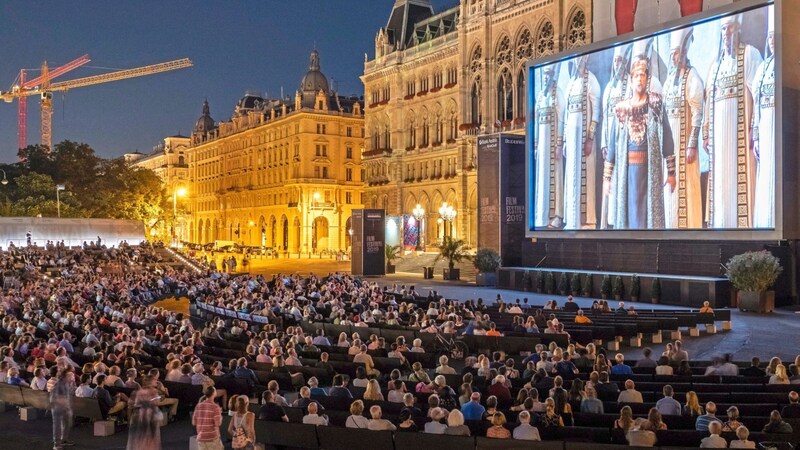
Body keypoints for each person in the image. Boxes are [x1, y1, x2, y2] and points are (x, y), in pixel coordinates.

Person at [606, 38, 674, 229]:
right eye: (636, 75)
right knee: (629, 217)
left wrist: (671, 173)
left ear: (647, 78)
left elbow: (667, 137)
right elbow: (612, 144)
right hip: (628, 171)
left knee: (649, 219)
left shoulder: (656, 104)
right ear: (631, 78)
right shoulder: (621, 109)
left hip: (649, 169)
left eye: (643, 75)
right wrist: (606, 178)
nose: (639, 79)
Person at [703, 13, 762, 228]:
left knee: (741, 183)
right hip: (719, 142)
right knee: (720, 186)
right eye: (723, 29)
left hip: (741, 139)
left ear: (738, 29)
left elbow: (758, 94)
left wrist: (753, 130)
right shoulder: (716, 65)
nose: (726, 34)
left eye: (729, 28)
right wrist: (707, 132)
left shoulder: (750, 55)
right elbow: (709, 99)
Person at [663, 27, 704, 229]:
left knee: (685, 186)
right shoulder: (669, 80)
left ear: (684, 52)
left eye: (676, 53)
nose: (673, 58)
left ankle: (688, 228)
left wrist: (692, 143)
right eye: (671, 54)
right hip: (670, 144)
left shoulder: (692, 77)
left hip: (684, 142)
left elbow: (697, 111)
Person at [563, 54, 601, 230]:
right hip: (570, 140)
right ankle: (572, 219)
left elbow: (597, 111)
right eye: (576, 59)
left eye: (581, 60)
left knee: (585, 178)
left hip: (585, 140)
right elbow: (565, 115)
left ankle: (587, 220)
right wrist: (563, 141)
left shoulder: (591, 80)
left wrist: (590, 138)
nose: (578, 62)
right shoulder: (570, 83)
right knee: (571, 176)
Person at [535, 63, 566, 228]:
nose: (546, 77)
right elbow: (535, 119)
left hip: (553, 143)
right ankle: (541, 215)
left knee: (555, 177)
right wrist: (535, 144)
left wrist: (559, 143)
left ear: (553, 76)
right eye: (544, 75)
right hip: (542, 143)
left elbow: (561, 119)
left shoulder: (558, 93)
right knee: (542, 178)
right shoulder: (540, 96)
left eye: (549, 74)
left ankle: (557, 215)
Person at [752, 8, 776, 227]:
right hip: (765, 130)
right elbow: (756, 106)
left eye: (774, 37)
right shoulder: (763, 68)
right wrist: (756, 137)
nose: (771, 42)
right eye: (769, 37)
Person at [126, 375, 162, 450]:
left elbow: (135, 403)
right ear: (150, 382)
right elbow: (157, 403)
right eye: (154, 380)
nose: (156, 381)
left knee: (141, 435)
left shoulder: (139, 391)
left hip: (140, 415)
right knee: (151, 435)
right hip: (150, 415)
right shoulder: (153, 391)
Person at [50, 368, 75, 449]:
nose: (73, 377)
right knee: (57, 426)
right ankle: (56, 444)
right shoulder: (58, 384)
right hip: (57, 409)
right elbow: (54, 398)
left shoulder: (67, 384)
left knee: (68, 424)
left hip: (66, 408)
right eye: (70, 376)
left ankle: (64, 440)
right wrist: (63, 403)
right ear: (65, 377)